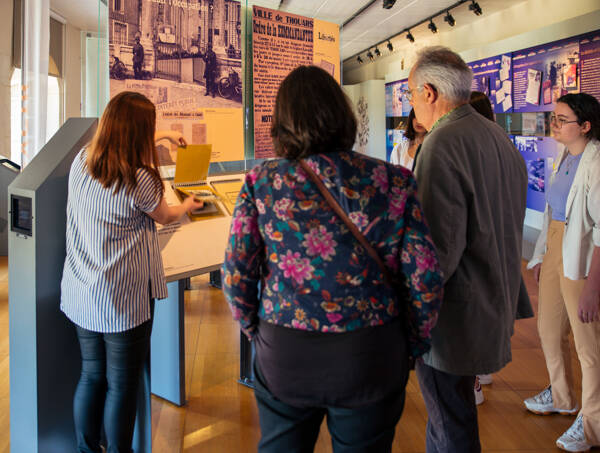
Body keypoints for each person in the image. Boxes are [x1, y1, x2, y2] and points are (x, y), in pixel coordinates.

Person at [222, 65, 444, 453]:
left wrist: (256, 330)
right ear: (344, 116)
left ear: (282, 123)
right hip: (371, 352)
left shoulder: (263, 182)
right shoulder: (392, 181)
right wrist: (412, 344)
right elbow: (425, 280)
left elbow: (237, 273)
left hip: (286, 349)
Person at [60, 91, 202, 453]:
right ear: (139, 132)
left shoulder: (81, 162)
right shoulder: (141, 180)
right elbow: (166, 215)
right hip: (123, 301)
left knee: (91, 377)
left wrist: (165, 136)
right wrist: (187, 204)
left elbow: (124, 143)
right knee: (122, 386)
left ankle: (88, 449)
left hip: (82, 293)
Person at [408, 46, 528, 452]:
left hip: (452, 318)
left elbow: (436, 252)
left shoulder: (440, 144)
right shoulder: (497, 136)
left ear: (428, 92)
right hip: (490, 301)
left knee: (450, 419)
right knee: (451, 415)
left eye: (409, 95)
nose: (412, 106)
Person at [524, 93, 600, 452]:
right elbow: (552, 211)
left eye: (562, 119)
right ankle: (562, 395)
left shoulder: (596, 162)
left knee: (589, 345)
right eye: (553, 118)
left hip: (583, 255)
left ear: (585, 126)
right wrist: (540, 256)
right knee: (549, 329)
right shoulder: (564, 156)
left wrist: (592, 289)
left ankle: (592, 424)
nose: (554, 124)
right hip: (556, 246)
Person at [468, 91, 535, 394]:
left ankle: (476, 381)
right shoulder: (508, 150)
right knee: (494, 305)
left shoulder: (475, 152)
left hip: (482, 243)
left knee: (477, 309)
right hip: (505, 242)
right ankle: (484, 370)